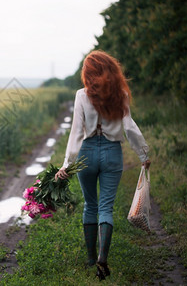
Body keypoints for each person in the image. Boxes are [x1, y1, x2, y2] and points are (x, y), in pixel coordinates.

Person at [54, 50, 151, 280]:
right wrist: (143, 154)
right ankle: (102, 258)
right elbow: (129, 127)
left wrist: (67, 163)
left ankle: (90, 258)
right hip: (112, 154)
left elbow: (76, 132)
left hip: (87, 154)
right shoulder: (121, 94)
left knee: (91, 205)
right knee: (106, 207)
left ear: (88, 73)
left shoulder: (81, 95)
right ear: (109, 70)